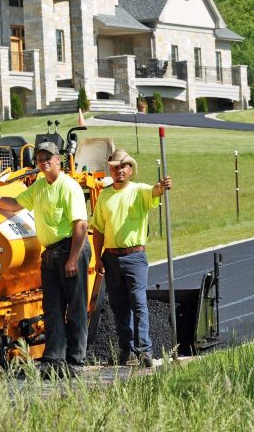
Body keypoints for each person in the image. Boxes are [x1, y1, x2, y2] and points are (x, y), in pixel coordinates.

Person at [0, 141, 90, 378]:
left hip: (70, 249)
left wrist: (73, 260)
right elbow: (14, 204)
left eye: (49, 158)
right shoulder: (39, 186)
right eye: (40, 158)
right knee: (52, 308)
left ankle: (76, 361)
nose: (44, 162)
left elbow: (81, 225)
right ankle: (54, 359)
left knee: (75, 307)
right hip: (50, 254)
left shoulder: (69, 186)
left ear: (59, 160)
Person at [91, 149, 172, 368]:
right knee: (119, 306)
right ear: (111, 169)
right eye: (115, 167)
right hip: (110, 257)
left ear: (130, 169)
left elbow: (155, 192)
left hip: (135, 256)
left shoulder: (139, 191)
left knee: (138, 303)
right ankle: (127, 351)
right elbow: (98, 229)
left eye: (123, 167)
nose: (119, 170)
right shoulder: (104, 196)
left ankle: (144, 350)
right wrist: (98, 258)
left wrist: (162, 186)